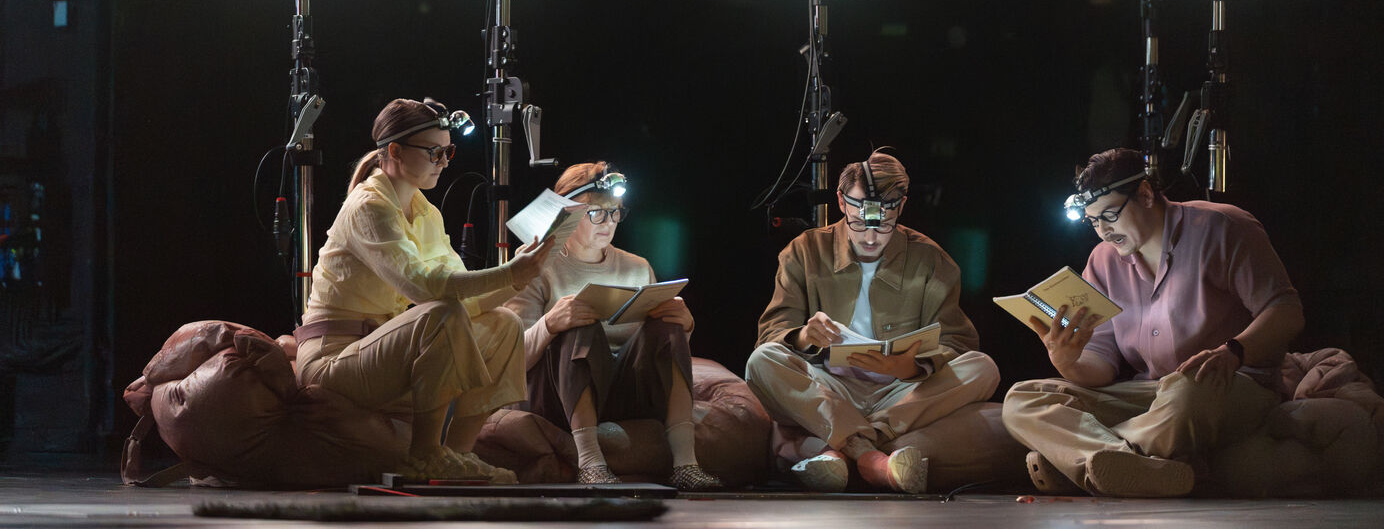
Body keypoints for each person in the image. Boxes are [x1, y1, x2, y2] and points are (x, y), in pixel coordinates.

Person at [1001, 148, 1305, 497]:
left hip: (1223, 386)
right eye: (1093, 222)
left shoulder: (1223, 227)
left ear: (1145, 195)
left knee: (1186, 394)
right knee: (1022, 399)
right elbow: (1101, 366)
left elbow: (1286, 310)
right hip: (1152, 393)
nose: (1103, 232)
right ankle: (1124, 464)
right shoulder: (1102, 262)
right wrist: (1067, 361)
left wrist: (1233, 352)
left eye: (1110, 215)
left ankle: (1077, 463)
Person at [296, 98, 552, 481]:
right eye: (434, 152)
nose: (444, 161)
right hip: (334, 359)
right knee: (441, 312)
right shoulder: (368, 205)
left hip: (384, 352)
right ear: (394, 152)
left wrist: (520, 276)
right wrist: (506, 273)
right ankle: (425, 455)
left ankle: (456, 455)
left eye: (448, 151)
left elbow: (468, 299)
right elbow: (424, 288)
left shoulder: (427, 212)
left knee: (504, 325)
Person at [745, 150, 1001, 493]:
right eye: (858, 222)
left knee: (983, 368)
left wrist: (910, 366)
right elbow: (770, 336)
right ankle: (871, 458)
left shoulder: (931, 260)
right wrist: (805, 336)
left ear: (902, 206)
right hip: (828, 386)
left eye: (883, 225)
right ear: (841, 201)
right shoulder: (804, 251)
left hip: (901, 394)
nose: (870, 237)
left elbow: (957, 343)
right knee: (762, 361)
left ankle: (854, 441)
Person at [503, 161, 723, 489]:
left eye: (615, 212)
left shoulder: (637, 267)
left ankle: (685, 464)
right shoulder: (534, 265)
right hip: (556, 394)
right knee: (579, 319)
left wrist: (684, 326)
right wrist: (550, 324)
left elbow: (657, 355)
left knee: (667, 323)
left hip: (619, 390)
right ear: (568, 213)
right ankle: (591, 462)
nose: (608, 222)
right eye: (596, 213)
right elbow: (509, 361)